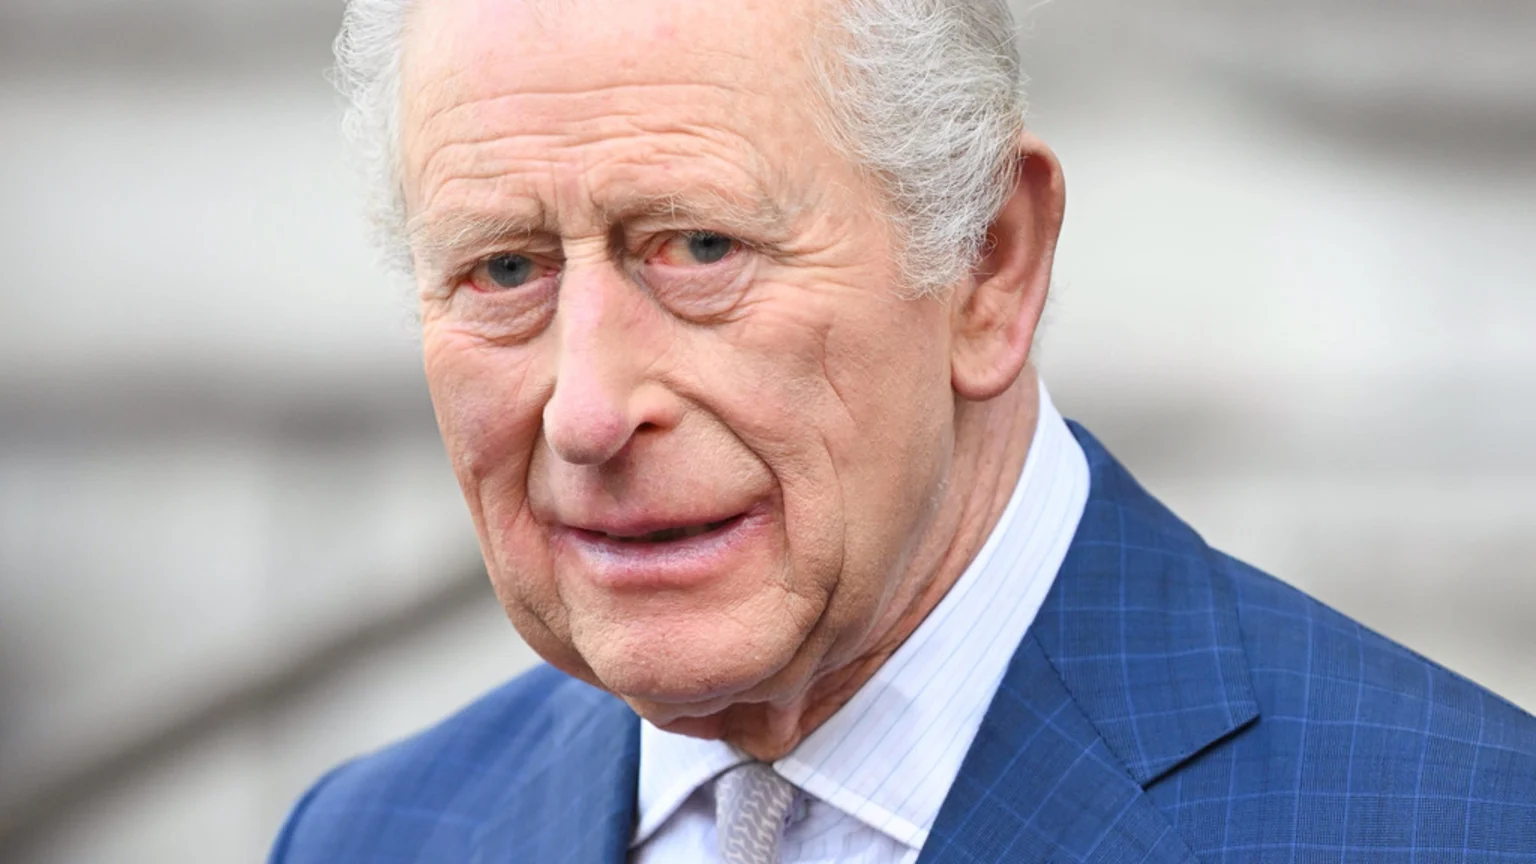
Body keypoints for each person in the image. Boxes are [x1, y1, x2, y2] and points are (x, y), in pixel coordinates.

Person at [271, 0, 1536, 861]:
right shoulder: (372, 835)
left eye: (700, 247)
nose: (589, 410)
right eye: (503, 270)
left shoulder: (1453, 827)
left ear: (990, 263)